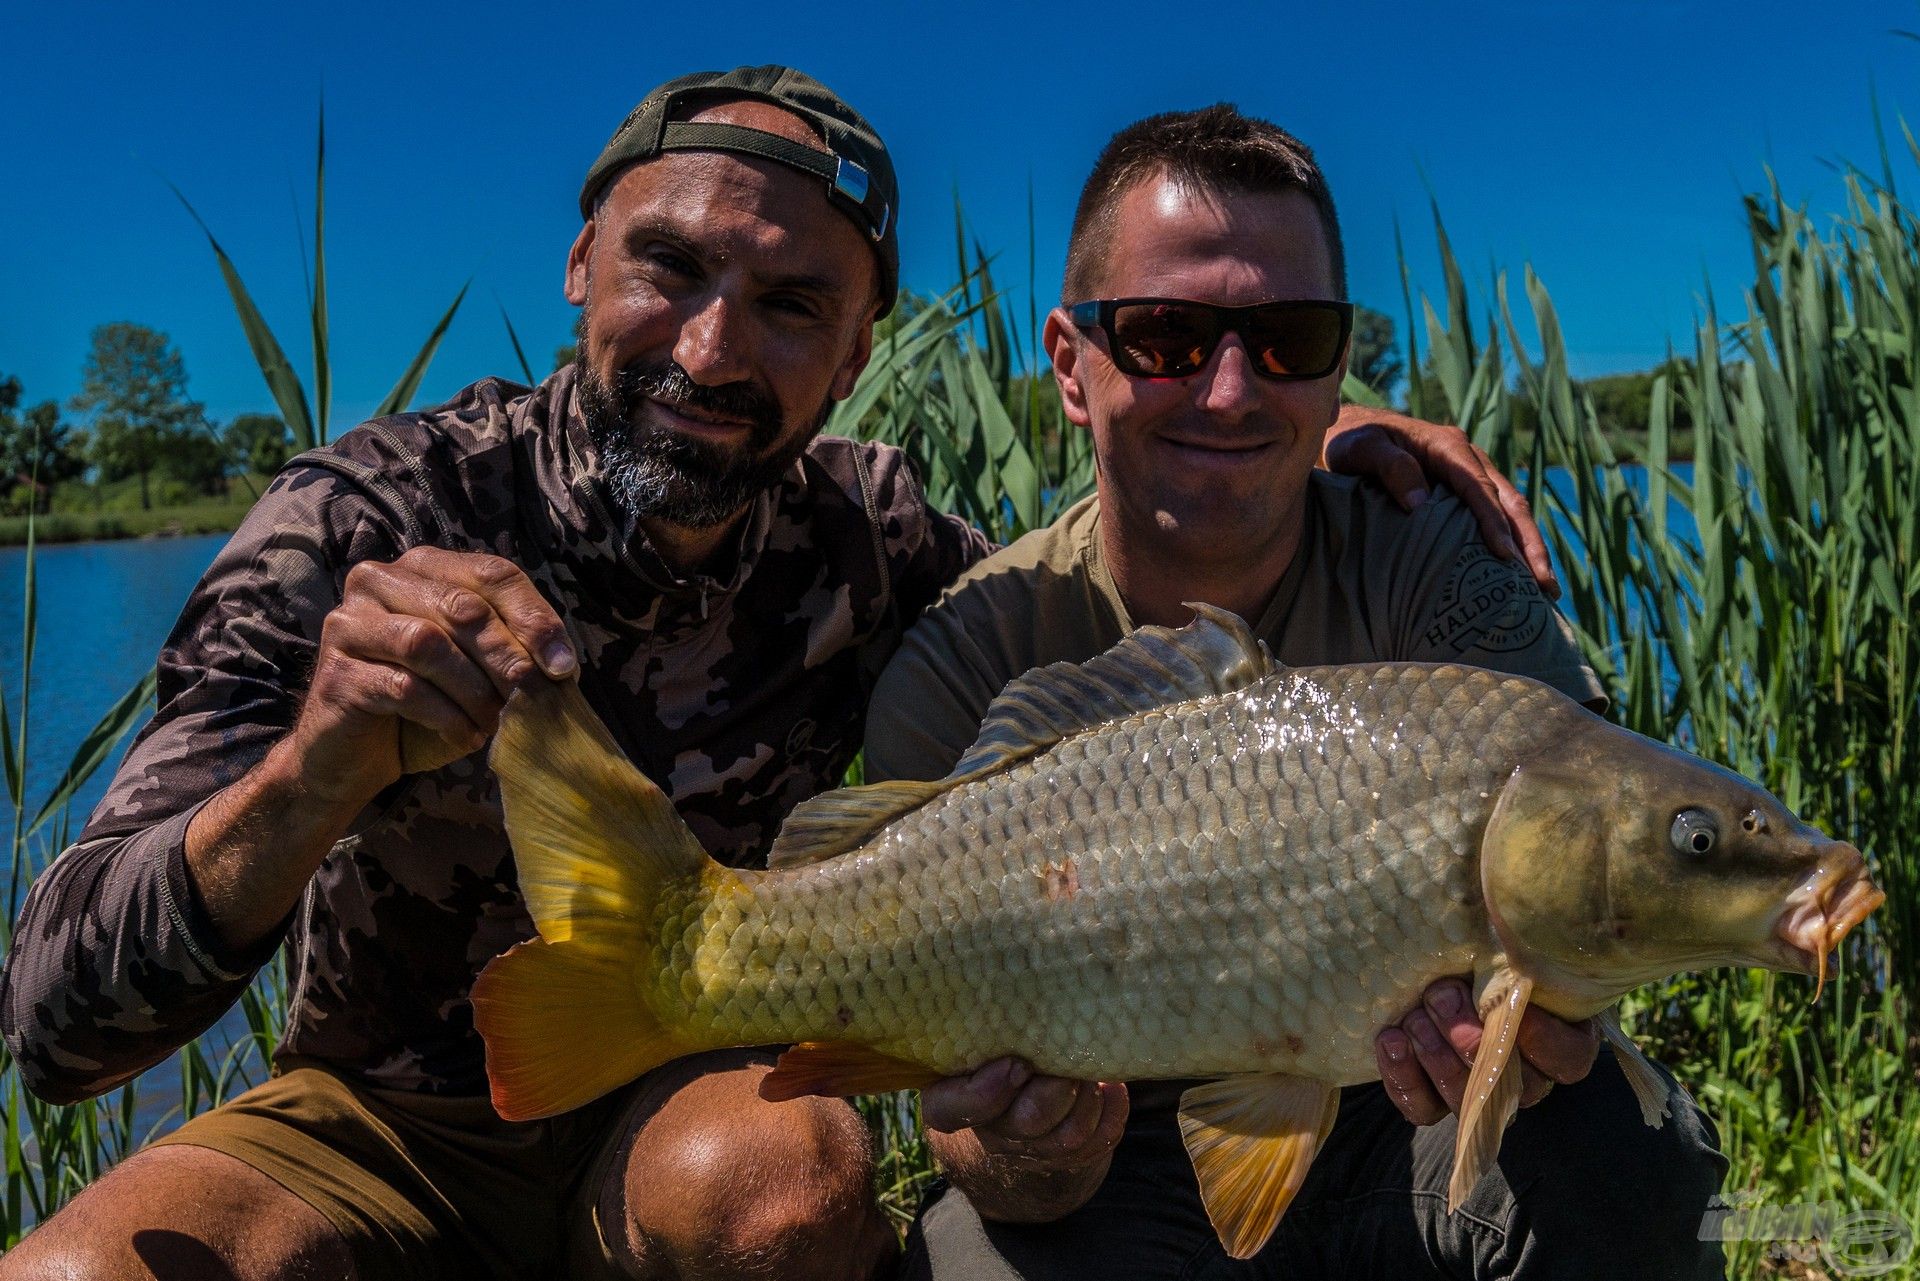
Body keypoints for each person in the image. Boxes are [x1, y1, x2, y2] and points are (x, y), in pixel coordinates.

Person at [0, 72, 1541, 1281]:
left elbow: (1119, 589)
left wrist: (1299, 441)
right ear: (579, 260)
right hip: (386, 1119)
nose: (714, 349)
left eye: (795, 302)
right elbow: (59, 1024)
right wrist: (316, 764)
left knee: (775, 1189)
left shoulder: (882, 545)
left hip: (702, 1103)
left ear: (859, 346)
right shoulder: (361, 517)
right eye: (667, 267)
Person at [863, 105, 1729, 1280]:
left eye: (1290, 339)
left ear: (1337, 368)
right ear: (1070, 366)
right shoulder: (971, 651)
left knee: (1632, 1156)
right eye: (1168, 335)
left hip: (1410, 1126)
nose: (1230, 391)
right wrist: (1025, 1146)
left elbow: (1590, 902)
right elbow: (966, 1133)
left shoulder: (1444, 573)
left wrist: (1544, 1041)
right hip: (1115, 1174)